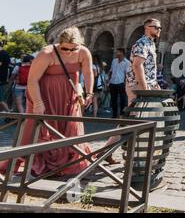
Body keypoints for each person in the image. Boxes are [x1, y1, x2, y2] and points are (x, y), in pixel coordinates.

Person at [0, 27, 94, 176]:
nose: (68, 52)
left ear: (79, 45)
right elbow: (32, 80)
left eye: (73, 49)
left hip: (69, 95)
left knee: (70, 127)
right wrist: (38, 102)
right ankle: (42, 159)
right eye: (64, 48)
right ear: (59, 43)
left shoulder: (83, 52)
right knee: (43, 128)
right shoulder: (47, 53)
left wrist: (89, 92)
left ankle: (68, 160)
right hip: (45, 95)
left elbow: (88, 73)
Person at [126, 18, 162, 105]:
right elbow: (137, 65)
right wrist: (143, 87)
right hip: (138, 85)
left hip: (149, 84)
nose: (159, 30)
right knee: (137, 115)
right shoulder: (142, 43)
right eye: (156, 27)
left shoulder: (151, 44)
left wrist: (154, 83)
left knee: (148, 115)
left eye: (160, 28)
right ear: (147, 28)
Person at [109, 48, 130, 118]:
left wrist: (125, 84)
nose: (116, 53)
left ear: (122, 53)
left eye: (117, 52)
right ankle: (114, 114)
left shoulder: (127, 62)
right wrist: (108, 80)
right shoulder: (114, 61)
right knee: (113, 99)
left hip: (121, 83)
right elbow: (111, 71)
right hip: (112, 82)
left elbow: (127, 74)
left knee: (122, 99)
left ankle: (122, 114)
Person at [0, 42, 11, 112]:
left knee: (1, 100)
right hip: (3, 79)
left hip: (0, 80)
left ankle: (9, 113)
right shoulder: (6, 53)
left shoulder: (1, 53)